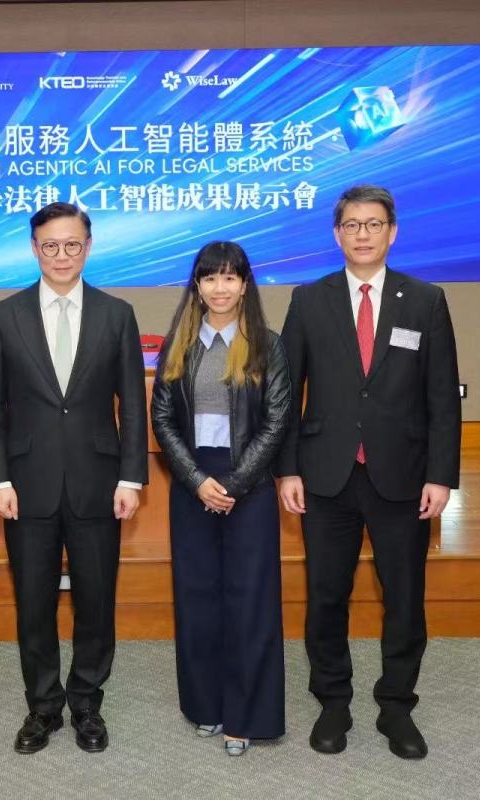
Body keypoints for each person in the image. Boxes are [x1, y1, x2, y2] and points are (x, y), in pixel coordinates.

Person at [276, 184, 461, 760]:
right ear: (337, 234)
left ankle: (396, 705)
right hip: (325, 475)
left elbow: (442, 397)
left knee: (404, 597)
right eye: (352, 224)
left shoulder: (425, 300)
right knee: (326, 595)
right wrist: (286, 470)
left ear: (392, 232)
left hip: (402, 475)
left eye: (374, 224)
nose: (363, 234)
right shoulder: (309, 300)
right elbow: (287, 392)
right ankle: (333, 700)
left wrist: (441, 475)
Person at [0, 202, 148, 754]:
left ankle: (87, 703)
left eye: (72, 244)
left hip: (99, 482)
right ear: (34, 249)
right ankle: (43, 706)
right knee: (34, 603)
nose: (61, 255)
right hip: (25, 486)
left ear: (88, 247)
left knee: (96, 600)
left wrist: (132, 478)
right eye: (50, 245)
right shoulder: (4, 317)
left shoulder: (116, 314)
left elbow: (133, 403)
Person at [150, 241, 290, 757]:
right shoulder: (179, 344)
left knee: (249, 602)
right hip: (193, 483)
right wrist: (196, 480)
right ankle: (205, 705)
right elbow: (162, 419)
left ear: (245, 284)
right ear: (197, 285)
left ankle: (246, 717)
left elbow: (276, 421)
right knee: (198, 598)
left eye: (230, 277)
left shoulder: (267, 345)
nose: (220, 287)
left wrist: (233, 484)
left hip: (247, 484)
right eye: (210, 278)